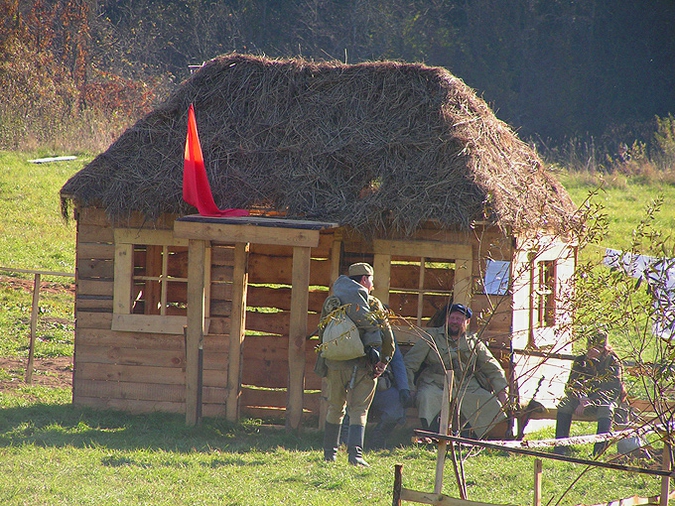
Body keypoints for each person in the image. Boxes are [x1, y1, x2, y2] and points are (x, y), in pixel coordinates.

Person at [316, 262, 395, 466]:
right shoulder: (373, 303)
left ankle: (329, 455)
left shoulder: (332, 302)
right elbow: (387, 336)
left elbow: (322, 333)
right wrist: (384, 361)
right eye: (371, 280)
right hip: (364, 365)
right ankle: (355, 456)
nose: (372, 285)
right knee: (359, 410)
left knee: (335, 407)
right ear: (363, 280)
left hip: (335, 364)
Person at [404, 303, 509, 438]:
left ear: (467, 322)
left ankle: (472, 438)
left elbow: (493, 368)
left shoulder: (474, 343)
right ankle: (432, 437)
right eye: (452, 318)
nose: (454, 322)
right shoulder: (432, 337)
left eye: (458, 319)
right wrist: (409, 387)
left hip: (466, 386)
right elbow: (410, 363)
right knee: (427, 397)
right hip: (435, 383)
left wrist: (502, 391)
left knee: (488, 402)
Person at [554, 330, 625, 456]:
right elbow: (571, 384)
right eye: (590, 347)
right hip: (582, 400)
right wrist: (582, 398)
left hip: (604, 400)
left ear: (603, 349)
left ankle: (598, 452)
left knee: (605, 409)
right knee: (564, 405)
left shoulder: (612, 362)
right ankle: (561, 447)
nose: (592, 350)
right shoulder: (580, 361)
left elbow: (612, 389)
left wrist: (591, 400)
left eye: (596, 347)